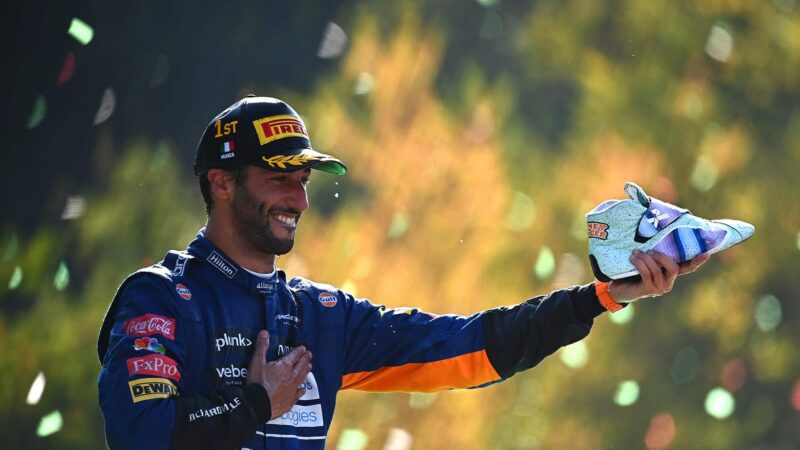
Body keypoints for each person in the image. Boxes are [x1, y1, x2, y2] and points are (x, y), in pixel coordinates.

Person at [97, 95, 709, 450]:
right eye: (278, 178)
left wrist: (600, 297)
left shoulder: (320, 316)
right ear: (221, 184)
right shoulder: (163, 299)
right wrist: (258, 402)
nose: (299, 200)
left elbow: (473, 346)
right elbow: (140, 434)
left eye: (303, 181)